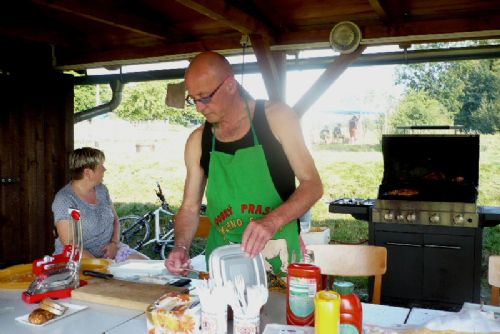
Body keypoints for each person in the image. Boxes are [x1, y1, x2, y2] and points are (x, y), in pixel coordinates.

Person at [165, 51, 323, 277]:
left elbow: (313, 184)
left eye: (205, 97)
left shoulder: (276, 118)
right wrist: (181, 247)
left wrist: (271, 222)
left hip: (278, 258)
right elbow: (190, 208)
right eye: (193, 99)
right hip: (224, 263)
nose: (199, 107)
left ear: (229, 85)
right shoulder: (198, 141)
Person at [52, 147, 148, 262]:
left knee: (148, 266)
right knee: (111, 279)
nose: (104, 169)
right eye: (100, 166)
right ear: (88, 173)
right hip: (77, 259)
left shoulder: (102, 190)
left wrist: (114, 244)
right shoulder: (65, 200)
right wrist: (101, 265)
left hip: (111, 252)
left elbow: (116, 221)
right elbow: (71, 245)